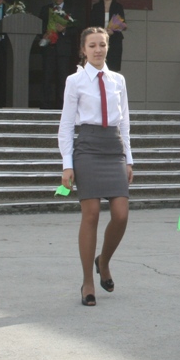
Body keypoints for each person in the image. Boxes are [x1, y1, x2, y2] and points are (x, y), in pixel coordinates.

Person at [58, 27, 133, 306]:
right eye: (92, 45)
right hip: (87, 147)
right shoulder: (75, 81)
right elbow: (66, 124)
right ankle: (87, 281)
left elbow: (124, 122)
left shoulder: (118, 80)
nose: (98, 50)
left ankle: (104, 261)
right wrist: (67, 164)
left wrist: (129, 158)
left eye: (102, 44)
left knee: (121, 214)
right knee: (90, 215)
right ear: (83, 49)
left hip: (113, 147)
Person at [39, 0, 79, 110]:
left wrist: (64, 30)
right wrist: (44, 33)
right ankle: (45, 105)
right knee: (47, 77)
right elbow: (39, 26)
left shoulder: (70, 9)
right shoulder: (45, 9)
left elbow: (76, 29)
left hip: (64, 49)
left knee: (63, 78)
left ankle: (62, 106)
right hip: (49, 48)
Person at [88, 0, 126, 72]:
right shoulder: (96, 7)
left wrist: (113, 31)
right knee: (99, 65)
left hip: (114, 40)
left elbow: (122, 23)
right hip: (99, 39)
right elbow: (92, 23)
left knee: (112, 67)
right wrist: (100, 31)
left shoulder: (118, 7)